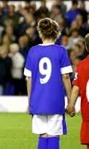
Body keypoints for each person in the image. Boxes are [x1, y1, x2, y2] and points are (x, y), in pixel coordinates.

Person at [24, 18, 73, 149]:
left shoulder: (33, 51)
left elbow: (29, 79)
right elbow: (66, 76)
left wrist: (30, 103)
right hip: (55, 100)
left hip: (38, 100)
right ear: (56, 33)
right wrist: (71, 101)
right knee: (53, 135)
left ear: (40, 33)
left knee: (43, 135)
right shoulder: (61, 51)